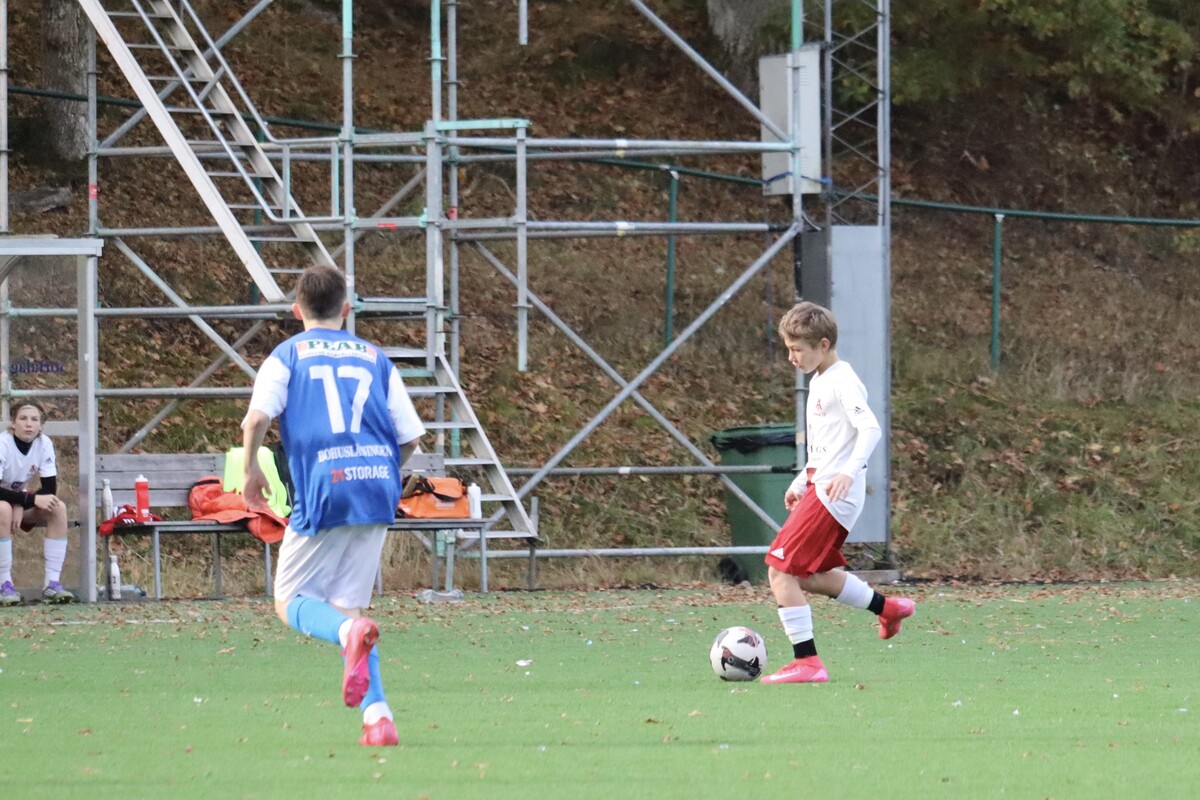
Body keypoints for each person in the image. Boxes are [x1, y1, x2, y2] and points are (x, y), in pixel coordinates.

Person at [240, 265, 425, 746]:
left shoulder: (287, 355)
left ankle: (349, 642)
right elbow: (410, 439)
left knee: (289, 602)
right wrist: (380, 468)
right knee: (348, 612)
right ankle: (378, 719)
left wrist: (251, 469)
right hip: (376, 490)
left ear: (296, 310)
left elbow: (255, 420)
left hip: (326, 486)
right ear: (346, 309)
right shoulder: (375, 358)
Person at [759, 302, 914, 684]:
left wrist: (848, 472)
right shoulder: (820, 379)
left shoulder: (842, 380)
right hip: (822, 487)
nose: (791, 357)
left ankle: (808, 662)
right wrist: (802, 481)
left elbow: (870, 429)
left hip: (833, 495)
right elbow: (827, 446)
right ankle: (888, 608)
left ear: (824, 344)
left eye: (797, 349)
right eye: (789, 348)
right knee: (808, 575)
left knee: (779, 571)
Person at [0, 401, 75, 605]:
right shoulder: (3, 444)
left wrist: (21, 504)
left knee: (57, 507)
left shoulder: (44, 443)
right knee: (3, 508)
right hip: (4, 506)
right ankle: (4, 584)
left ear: (41, 426)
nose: (29, 424)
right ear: (13, 423)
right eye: (23, 418)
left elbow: (49, 489)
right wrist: (26, 500)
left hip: (17, 502)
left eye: (35, 419)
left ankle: (52, 584)